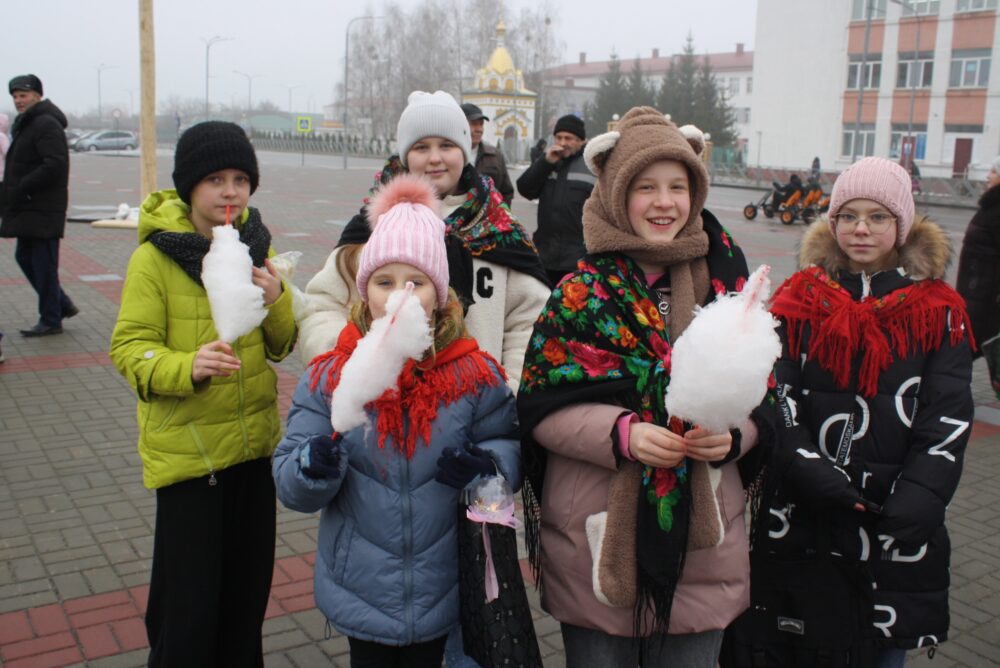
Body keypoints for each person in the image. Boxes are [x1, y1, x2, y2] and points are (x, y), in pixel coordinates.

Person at [517, 107, 768, 666]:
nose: (664, 202)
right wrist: (621, 433)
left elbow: (763, 398)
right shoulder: (581, 290)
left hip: (705, 545)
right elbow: (540, 403)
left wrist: (732, 439)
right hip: (595, 535)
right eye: (645, 186)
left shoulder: (727, 283)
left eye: (678, 186)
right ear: (614, 192)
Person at [273, 174, 521, 668]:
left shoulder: (473, 374)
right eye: (384, 282)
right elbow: (288, 480)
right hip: (361, 584)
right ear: (365, 294)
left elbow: (507, 450)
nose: (398, 296)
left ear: (440, 292)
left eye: (416, 282)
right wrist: (311, 466)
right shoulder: (333, 375)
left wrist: (484, 469)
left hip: (443, 580)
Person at [734, 157, 974, 667]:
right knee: (799, 642)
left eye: (878, 216)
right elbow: (776, 393)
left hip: (894, 524)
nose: (860, 228)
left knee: (880, 650)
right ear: (833, 222)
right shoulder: (800, 298)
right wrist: (805, 467)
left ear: (902, 225)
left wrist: (922, 494)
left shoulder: (939, 309)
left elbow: (947, 413)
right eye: (848, 216)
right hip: (806, 514)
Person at [109, 121, 297, 666]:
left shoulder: (257, 246)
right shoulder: (155, 258)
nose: (230, 191)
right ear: (190, 185)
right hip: (191, 463)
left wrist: (278, 296)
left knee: (244, 605)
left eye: (241, 178)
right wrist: (188, 366)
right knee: (187, 613)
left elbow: (283, 345)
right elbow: (130, 349)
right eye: (215, 178)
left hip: (252, 454)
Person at [299, 90, 550, 395]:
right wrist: (349, 366)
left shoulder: (499, 229)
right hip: (378, 408)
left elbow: (529, 322)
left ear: (465, 150)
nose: (435, 158)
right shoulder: (372, 226)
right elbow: (322, 306)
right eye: (421, 147)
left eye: (446, 145)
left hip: (476, 413)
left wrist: (505, 392)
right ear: (405, 155)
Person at [1, 75, 78, 337]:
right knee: (25, 257)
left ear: (37, 95)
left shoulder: (45, 123)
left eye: (23, 95)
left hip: (42, 207)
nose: (18, 101)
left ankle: (51, 318)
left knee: (44, 264)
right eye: (15, 96)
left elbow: (55, 163)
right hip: (29, 207)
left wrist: (23, 186)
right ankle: (60, 304)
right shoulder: (29, 123)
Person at [516, 114, 594, 286]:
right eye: (559, 137)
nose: (563, 142)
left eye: (569, 138)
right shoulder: (548, 163)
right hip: (545, 257)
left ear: (581, 141)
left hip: (577, 260)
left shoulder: (592, 166)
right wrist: (545, 162)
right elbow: (525, 189)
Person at [956, 156, 1000, 350]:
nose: (988, 176)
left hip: (985, 298)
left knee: (963, 349)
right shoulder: (991, 204)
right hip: (975, 293)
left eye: (994, 172)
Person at [461, 102, 514, 206]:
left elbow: (506, 192)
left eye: (481, 124)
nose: (479, 129)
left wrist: (501, 217)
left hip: (488, 220)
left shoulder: (495, 155)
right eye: (474, 124)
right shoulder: (448, 155)